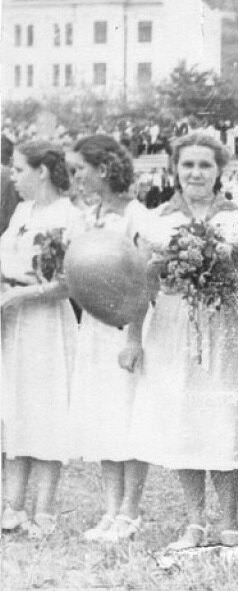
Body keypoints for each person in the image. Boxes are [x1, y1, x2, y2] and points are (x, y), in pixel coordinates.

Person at [128, 134, 238, 551]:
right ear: (175, 170)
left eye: (205, 165)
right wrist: (133, 339)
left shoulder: (237, 217)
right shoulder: (157, 220)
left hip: (222, 325)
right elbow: (141, 285)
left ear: (220, 171)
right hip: (173, 326)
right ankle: (195, 521)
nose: (196, 173)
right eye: (188, 165)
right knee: (184, 417)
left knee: (222, 417)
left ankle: (229, 522)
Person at [65, 135, 151, 542]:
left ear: (103, 169)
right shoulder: (87, 217)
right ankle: (111, 509)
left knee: (129, 417)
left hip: (126, 329)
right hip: (95, 329)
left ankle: (131, 511)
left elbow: (145, 282)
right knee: (104, 416)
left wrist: (134, 337)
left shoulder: (135, 215)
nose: (75, 177)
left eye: (79, 169)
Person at [0, 140, 84, 538]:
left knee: (47, 408)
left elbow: (72, 282)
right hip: (14, 320)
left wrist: (23, 294)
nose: (13, 178)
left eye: (18, 170)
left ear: (42, 171)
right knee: (15, 405)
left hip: (47, 321)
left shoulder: (70, 216)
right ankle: (13, 505)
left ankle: (45, 509)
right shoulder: (21, 212)